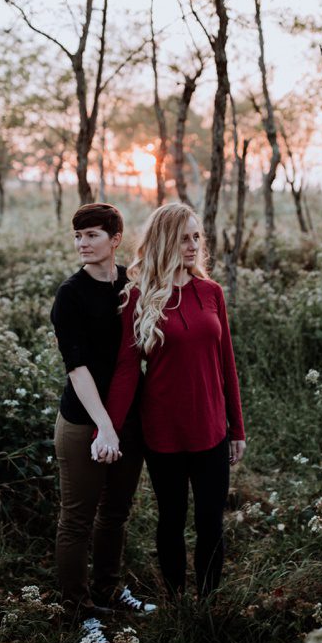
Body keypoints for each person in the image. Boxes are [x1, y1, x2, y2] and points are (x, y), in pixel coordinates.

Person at [103, 203, 247, 601]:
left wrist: (237, 428)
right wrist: (110, 429)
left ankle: (207, 602)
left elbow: (227, 365)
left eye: (197, 237)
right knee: (171, 519)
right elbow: (127, 369)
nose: (193, 245)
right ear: (165, 240)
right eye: (184, 237)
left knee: (210, 523)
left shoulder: (211, 292)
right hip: (163, 431)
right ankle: (176, 600)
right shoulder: (138, 297)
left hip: (212, 427)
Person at [49, 203, 156, 643]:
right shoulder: (69, 295)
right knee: (77, 519)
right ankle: (79, 612)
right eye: (77, 236)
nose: (81, 244)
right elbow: (78, 368)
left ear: (115, 239)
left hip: (128, 418)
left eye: (91, 235)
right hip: (82, 421)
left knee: (115, 513)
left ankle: (108, 589)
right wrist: (104, 427)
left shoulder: (132, 285)